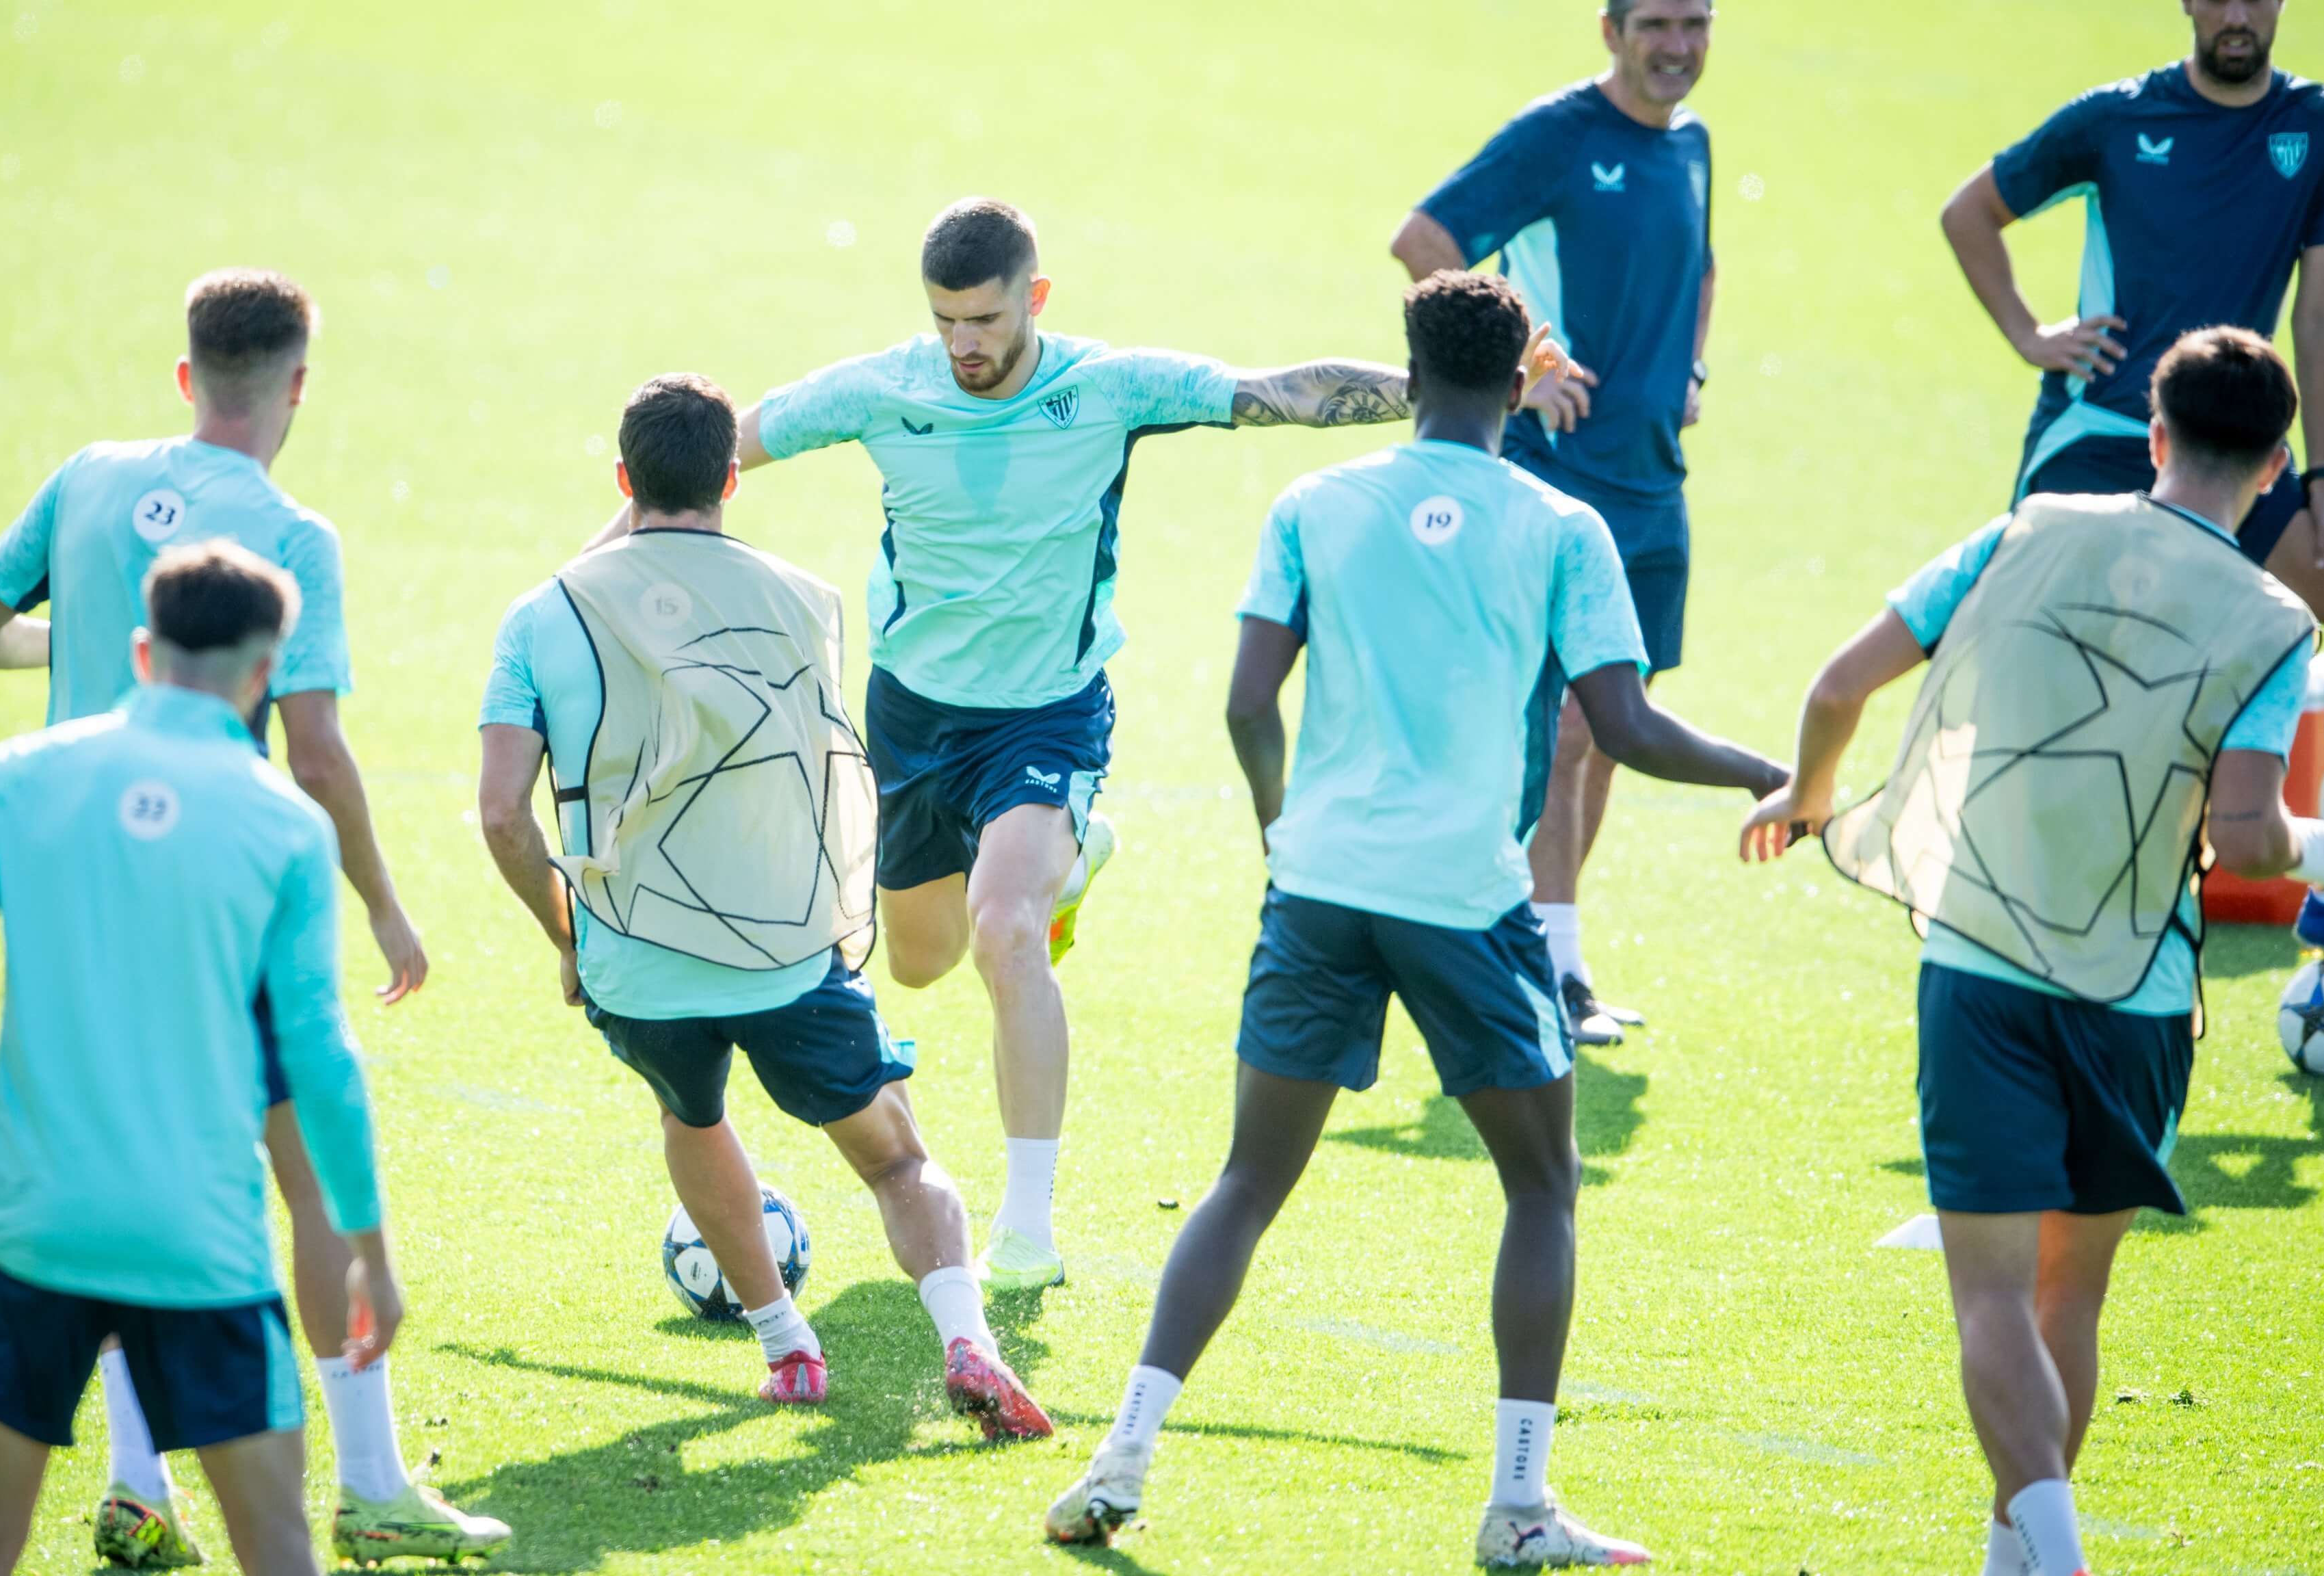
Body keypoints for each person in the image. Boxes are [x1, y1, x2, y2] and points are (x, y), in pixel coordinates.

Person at [1046, 272, 1785, 1564]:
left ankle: (1125, 1452)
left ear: (1412, 366)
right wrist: (1771, 777)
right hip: (1465, 897)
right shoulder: (1564, 527)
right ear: (1520, 387)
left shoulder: (1314, 503)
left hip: (1320, 885)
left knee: (1248, 1182)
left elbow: (1243, 704)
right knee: (1543, 1184)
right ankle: (1516, 1506)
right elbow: (1624, 729)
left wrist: (1285, 832)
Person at [590, 197, 1416, 1292]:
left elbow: (1278, 394)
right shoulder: (887, 390)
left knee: (1006, 929)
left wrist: (1452, 392)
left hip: (1045, 714)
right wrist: (585, 582)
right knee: (920, 961)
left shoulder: (1106, 389)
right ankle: (1079, 856)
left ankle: (1027, 1230)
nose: (965, 345)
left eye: (983, 320)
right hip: (913, 718)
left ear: (1034, 299)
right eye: (945, 322)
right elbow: (691, 471)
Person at [1741, 328, 2324, 1576]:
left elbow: (1842, 684)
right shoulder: (2275, 619)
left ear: (2155, 436)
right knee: (2071, 1294)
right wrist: (2316, 845)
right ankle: (2023, 1557)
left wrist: (1807, 796)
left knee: (1992, 1296)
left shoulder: (2023, 529)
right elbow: (2241, 836)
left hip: (1981, 969)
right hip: (2139, 994)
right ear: (2277, 466)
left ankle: (2047, 1559)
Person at [0, 270, 501, 1566]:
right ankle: (369, 1480)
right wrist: (387, 906)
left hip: (76, 902)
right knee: (308, 1184)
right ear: (298, 384)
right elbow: (319, 751)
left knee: (122, 1169)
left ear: (187, 377)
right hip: (220, 903)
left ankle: (138, 1485)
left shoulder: (84, 478)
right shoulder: (293, 533)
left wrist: (75, 637)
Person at [481, 374, 1051, 1436]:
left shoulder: (540, 615)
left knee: (691, 1113)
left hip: (633, 961)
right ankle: (968, 1340)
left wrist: (567, 937)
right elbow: (824, 777)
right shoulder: (807, 599)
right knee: (897, 1158)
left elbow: (503, 818)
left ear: (622, 480)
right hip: (789, 955)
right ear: (732, 478)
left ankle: (788, 1349)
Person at [0, 542, 406, 1576]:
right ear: (264, 675)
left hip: (31, 1236)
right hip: (199, 1249)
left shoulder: (23, 777)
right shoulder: (289, 828)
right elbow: (321, 1059)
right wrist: (369, 1251)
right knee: (279, 1547)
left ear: (142, 652)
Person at [1938, 0, 2324, 969]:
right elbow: (1969, 211)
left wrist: (2321, 473)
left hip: (2240, 449)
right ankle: (2013, 898)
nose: (2237, 14)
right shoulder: (2113, 119)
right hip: (2105, 436)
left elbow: (2322, 311)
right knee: (2065, 665)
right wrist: (2032, 334)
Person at [1390, 0, 1719, 1045]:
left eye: (1698, 23)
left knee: (1610, 733)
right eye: (1658, 23)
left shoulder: (1694, 145)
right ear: (1612, 30)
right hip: (1556, 476)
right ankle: (1534, 966)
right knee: (1569, 727)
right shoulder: (1560, 135)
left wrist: (1693, 365)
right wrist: (1521, 363)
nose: (1678, 45)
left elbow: (1701, 265)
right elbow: (1425, 240)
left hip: (1654, 483)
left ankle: (1559, 954)